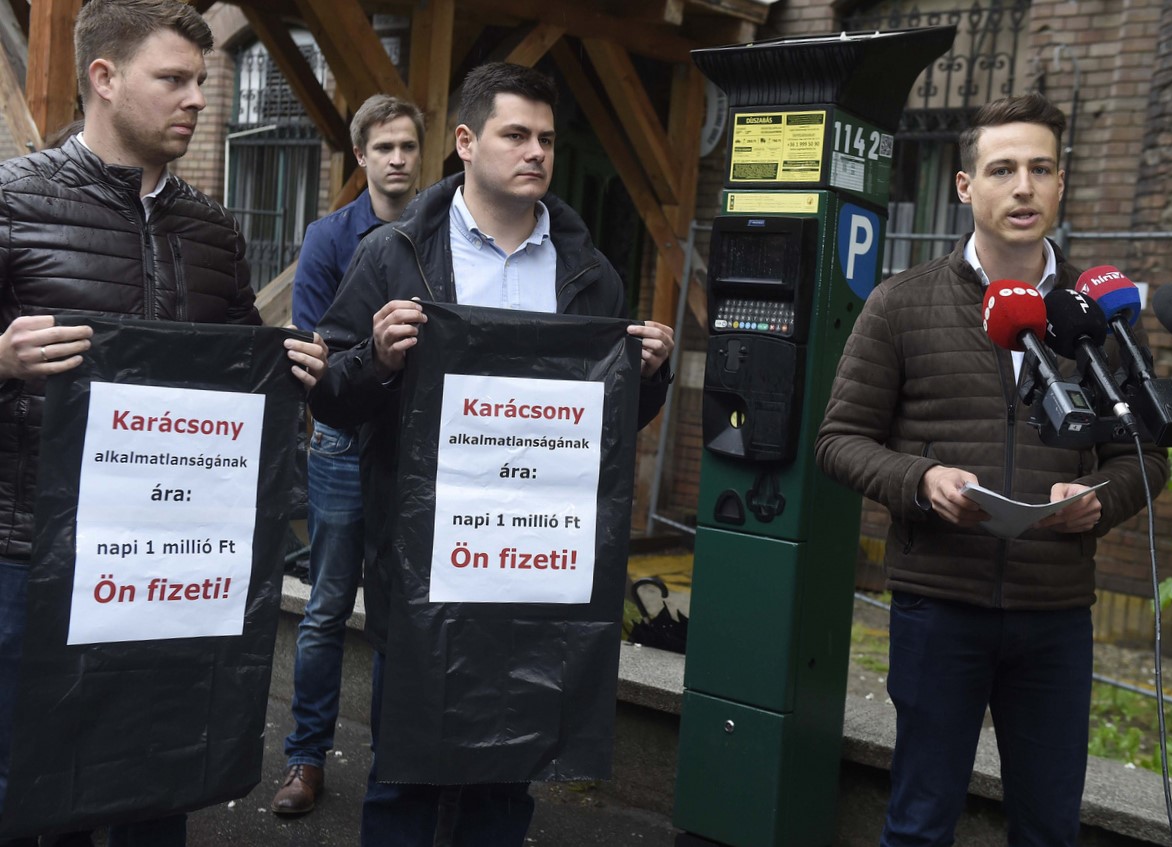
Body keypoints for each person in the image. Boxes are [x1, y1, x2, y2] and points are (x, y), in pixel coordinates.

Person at [308, 62, 674, 846]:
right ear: (467, 143)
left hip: (533, 562)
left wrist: (651, 373)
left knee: (508, 775)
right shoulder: (393, 252)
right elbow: (331, 394)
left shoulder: (587, 272)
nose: (536, 151)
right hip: (421, 561)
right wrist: (375, 356)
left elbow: (611, 427)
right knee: (403, 768)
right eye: (516, 134)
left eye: (545, 137)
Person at [0, 1, 327, 845]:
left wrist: (323, 368)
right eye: (173, 80)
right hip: (30, 560)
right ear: (104, 80)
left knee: (154, 783)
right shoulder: (10, 203)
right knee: (32, 795)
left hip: (168, 568)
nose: (193, 99)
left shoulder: (214, 231)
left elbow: (246, 380)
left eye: (201, 82)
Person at [815, 92, 1167, 846]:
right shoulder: (900, 304)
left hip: (1055, 609)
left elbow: (1144, 454)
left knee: (1047, 827)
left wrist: (1098, 498)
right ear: (965, 185)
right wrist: (920, 480)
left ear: (1061, 183)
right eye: (1002, 168)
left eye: (1040, 169)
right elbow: (839, 440)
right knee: (918, 822)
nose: (1023, 187)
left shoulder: (1100, 316)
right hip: (938, 606)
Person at [272, 93, 426, 817]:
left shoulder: (439, 236)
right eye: (383, 148)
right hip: (340, 444)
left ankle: (405, 767)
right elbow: (313, 352)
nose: (397, 159)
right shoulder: (331, 237)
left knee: (417, 607)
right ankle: (305, 759)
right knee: (329, 606)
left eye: (407, 147)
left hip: (416, 448)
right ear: (360, 156)